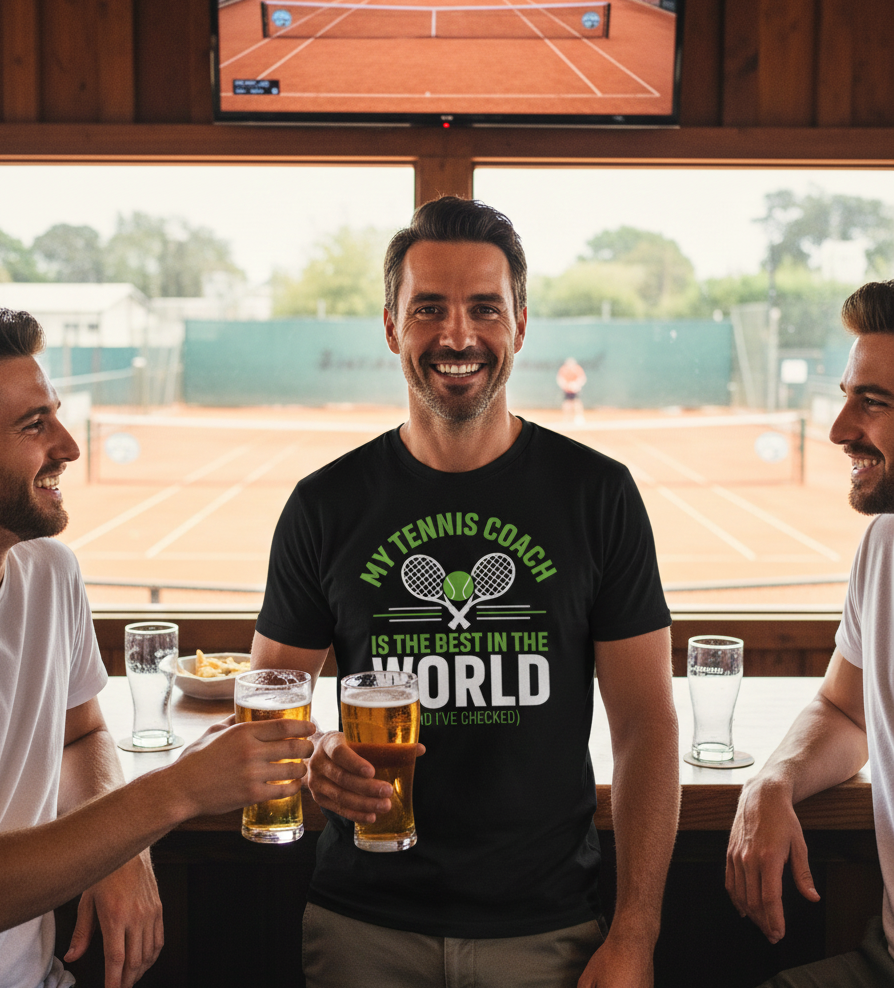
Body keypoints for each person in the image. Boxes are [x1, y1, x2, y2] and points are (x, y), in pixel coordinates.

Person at [252, 196, 680, 988]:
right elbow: (272, 709)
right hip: (361, 926)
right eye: (429, 310)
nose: (457, 336)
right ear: (391, 327)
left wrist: (636, 934)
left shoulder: (599, 496)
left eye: (484, 308)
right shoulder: (324, 505)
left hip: (550, 927)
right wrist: (315, 754)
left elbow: (648, 727)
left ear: (520, 324)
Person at [0, 308, 314, 988]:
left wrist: (118, 849)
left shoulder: (49, 573)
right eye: (33, 425)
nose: (69, 445)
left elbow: (82, 736)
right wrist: (169, 794)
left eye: (55, 413)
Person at [726, 280, 894, 987]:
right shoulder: (884, 545)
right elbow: (845, 709)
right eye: (848, 393)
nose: (838, 428)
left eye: (874, 402)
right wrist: (777, 775)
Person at [557, 356, 587, 423]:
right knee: (567, 404)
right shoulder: (563, 369)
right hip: (567, 390)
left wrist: (576, 385)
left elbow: (582, 378)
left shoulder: (578, 369)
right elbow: (560, 379)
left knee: (577, 402)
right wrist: (566, 386)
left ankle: (579, 417)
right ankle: (567, 418)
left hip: (575, 390)